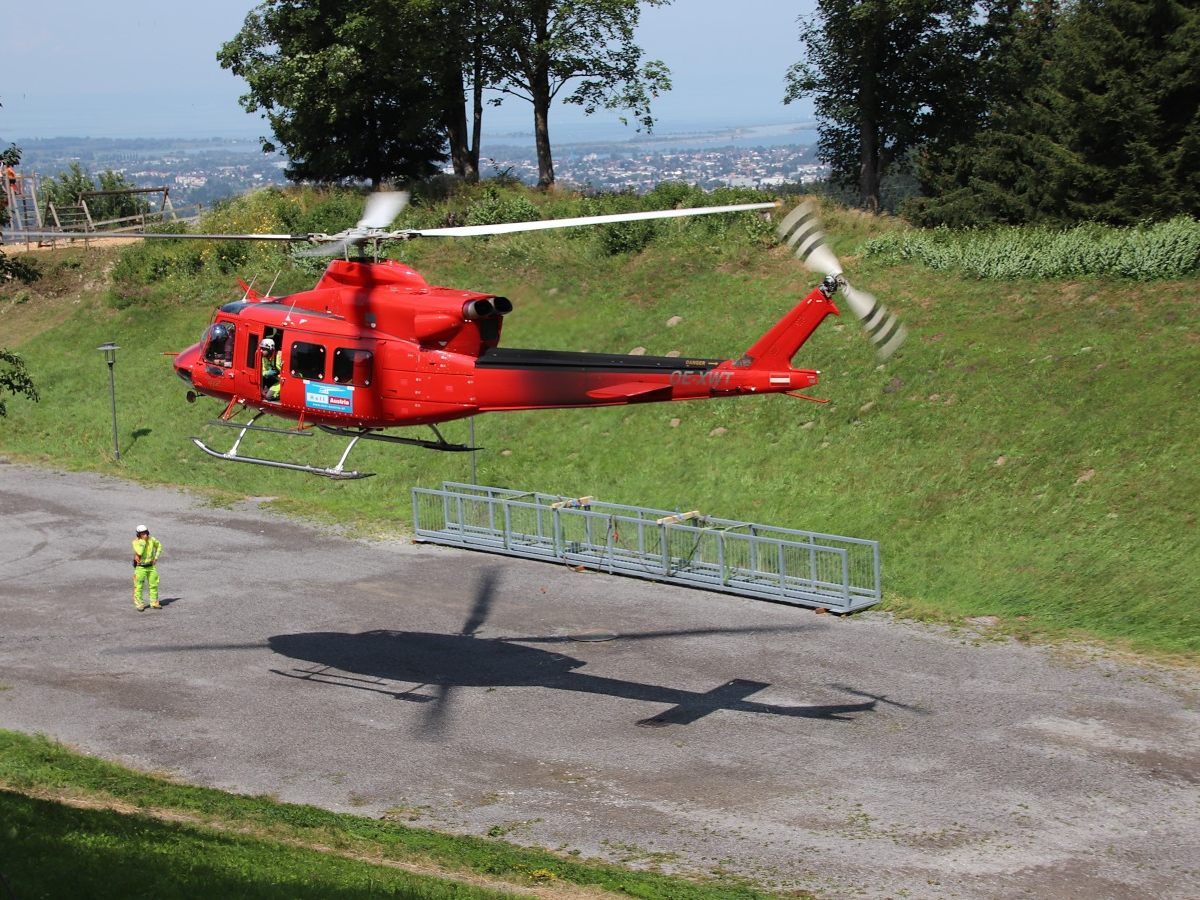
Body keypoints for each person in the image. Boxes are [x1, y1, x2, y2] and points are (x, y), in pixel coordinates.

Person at [131, 525, 163, 611]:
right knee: (139, 586)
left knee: (154, 584)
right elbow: (140, 551)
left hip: (151, 567)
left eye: (145, 532)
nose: (144, 535)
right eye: (142, 533)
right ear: (138, 534)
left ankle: (154, 603)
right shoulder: (135, 542)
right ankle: (139, 604)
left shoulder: (152, 540)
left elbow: (159, 546)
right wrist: (143, 541)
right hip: (140, 567)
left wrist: (156, 558)